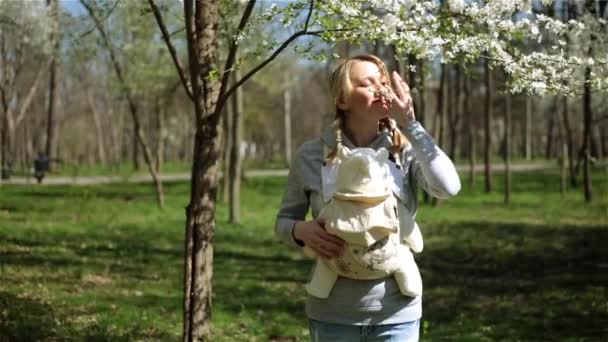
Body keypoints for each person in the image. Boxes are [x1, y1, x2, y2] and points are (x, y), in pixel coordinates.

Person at [275, 54, 461, 341]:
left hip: (396, 314)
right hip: (332, 316)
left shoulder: (406, 151)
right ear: (342, 100)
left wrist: (410, 124)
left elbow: (449, 187)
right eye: (367, 83)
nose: (381, 88)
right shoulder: (310, 155)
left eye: (383, 82)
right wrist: (300, 231)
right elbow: (284, 222)